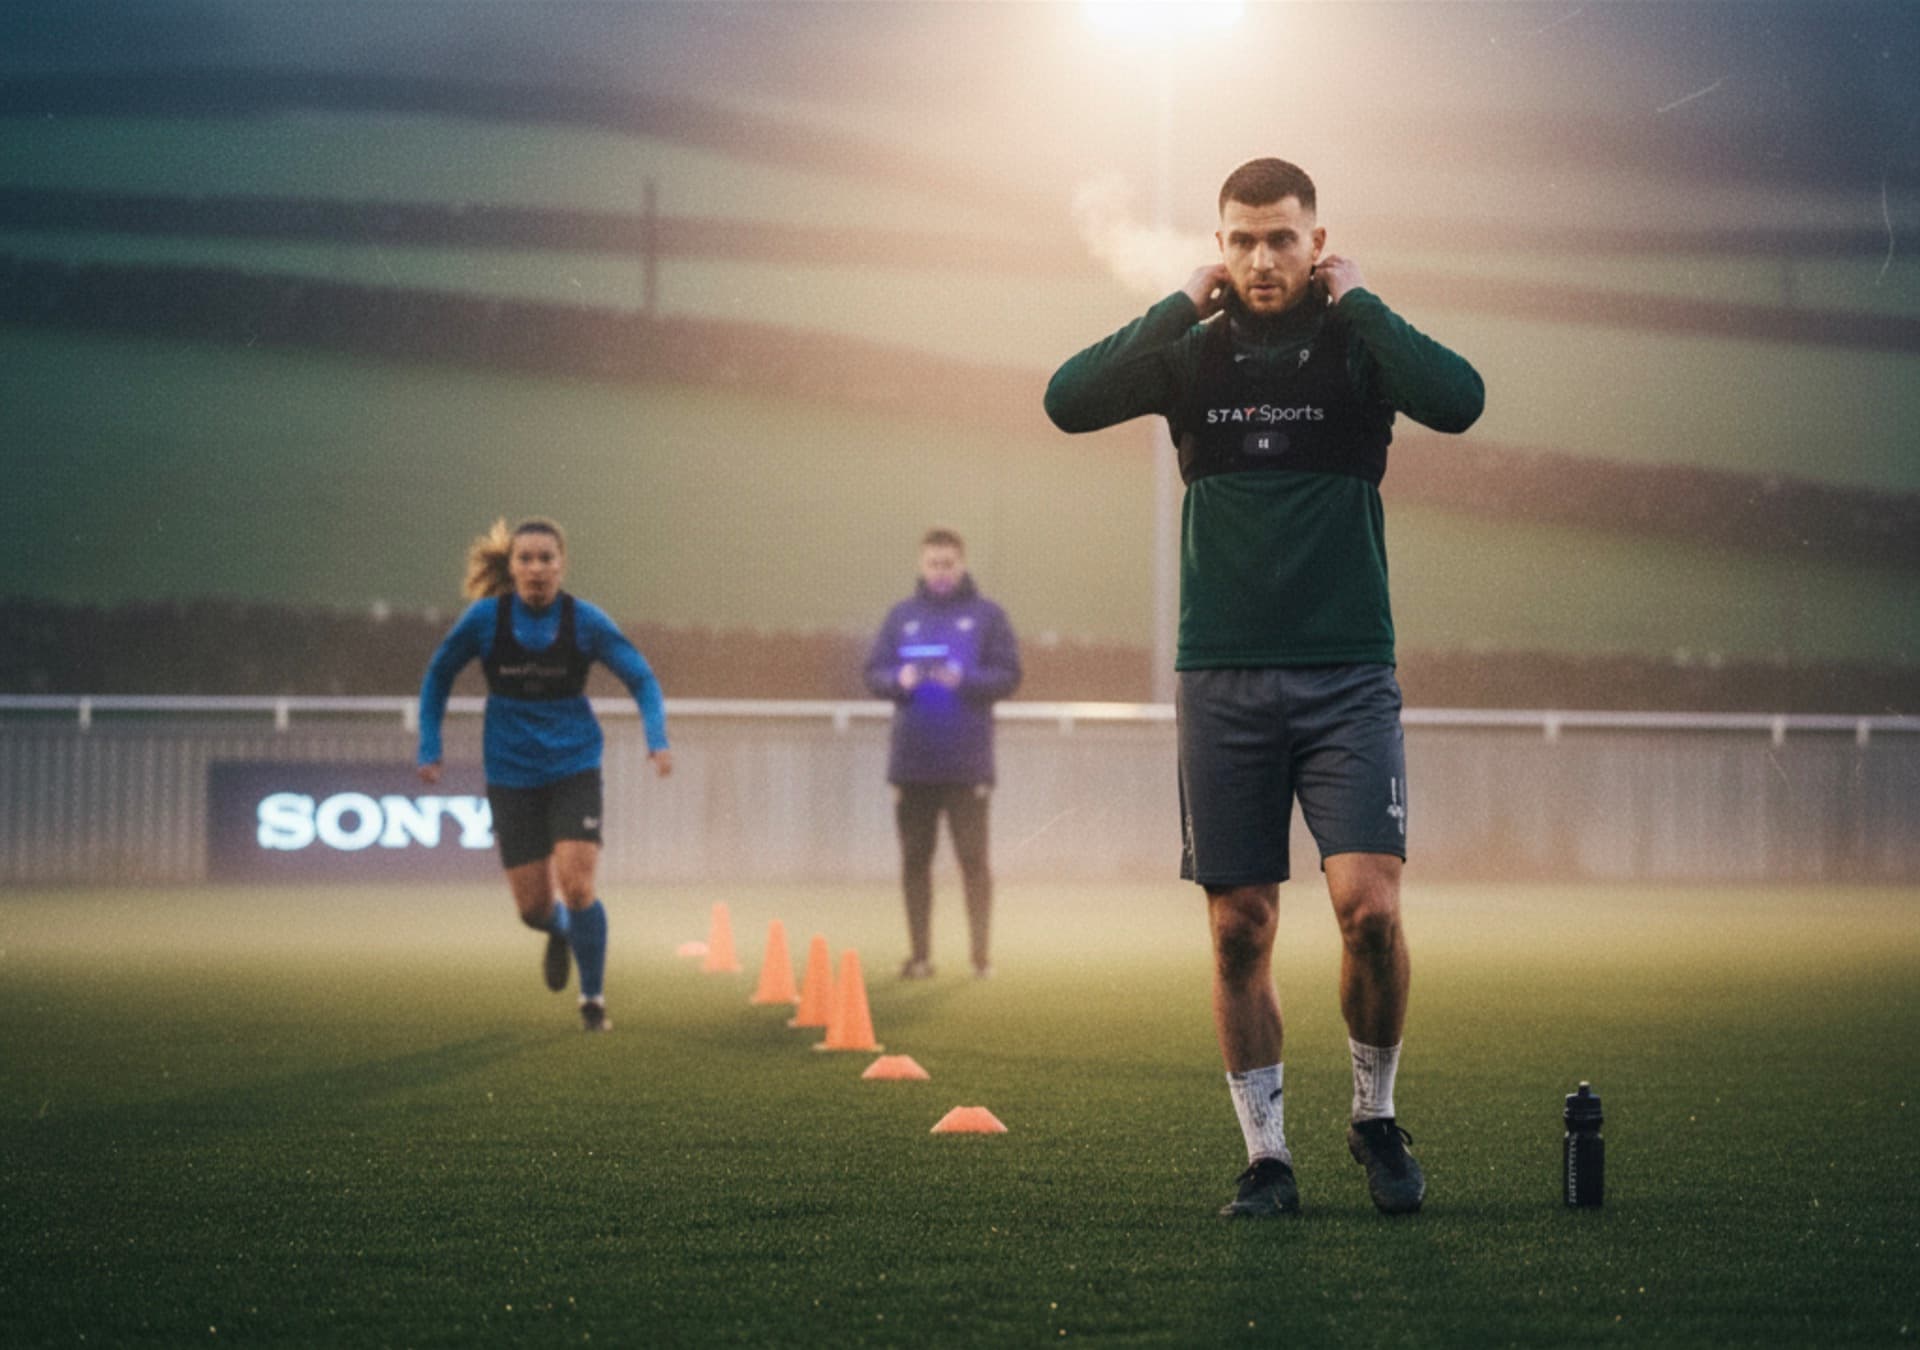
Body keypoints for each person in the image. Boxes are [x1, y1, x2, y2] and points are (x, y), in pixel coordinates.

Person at [1044, 158, 1484, 1217]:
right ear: (1220, 245)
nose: (1260, 259)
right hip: (1224, 680)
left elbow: (1460, 401)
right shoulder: (1191, 358)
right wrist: (1175, 299)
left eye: (1281, 239)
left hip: (1347, 678)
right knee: (1240, 925)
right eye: (1239, 241)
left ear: (1317, 240)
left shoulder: (1355, 347)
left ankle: (1375, 1119)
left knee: (1367, 911)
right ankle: (1267, 1158)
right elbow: (1067, 401)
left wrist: (1366, 298)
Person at [416, 517, 672, 1032]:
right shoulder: (485, 620)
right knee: (533, 908)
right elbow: (439, 674)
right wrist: (429, 743)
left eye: (545, 559)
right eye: (525, 559)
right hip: (511, 773)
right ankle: (558, 931)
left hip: (573, 765)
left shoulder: (587, 622)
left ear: (562, 565)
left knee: (577, 886)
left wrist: (657, 739)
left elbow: (641, 677)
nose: (535, 568)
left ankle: (593, 1000)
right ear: (511, 567)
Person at [864, 528, 1021, 980]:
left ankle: (980, 958)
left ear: (962, 564)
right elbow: (873, 673)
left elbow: (1010, 675)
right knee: (915, 861)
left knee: (974, 860)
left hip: (967, 763)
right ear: (921, 565)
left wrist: (964, 680)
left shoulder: (987, 616)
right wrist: (901, 680)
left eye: (948, 563)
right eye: (933, 563)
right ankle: (919, 957)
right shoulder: (901, 616)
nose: (940, 572)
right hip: (912, 764)